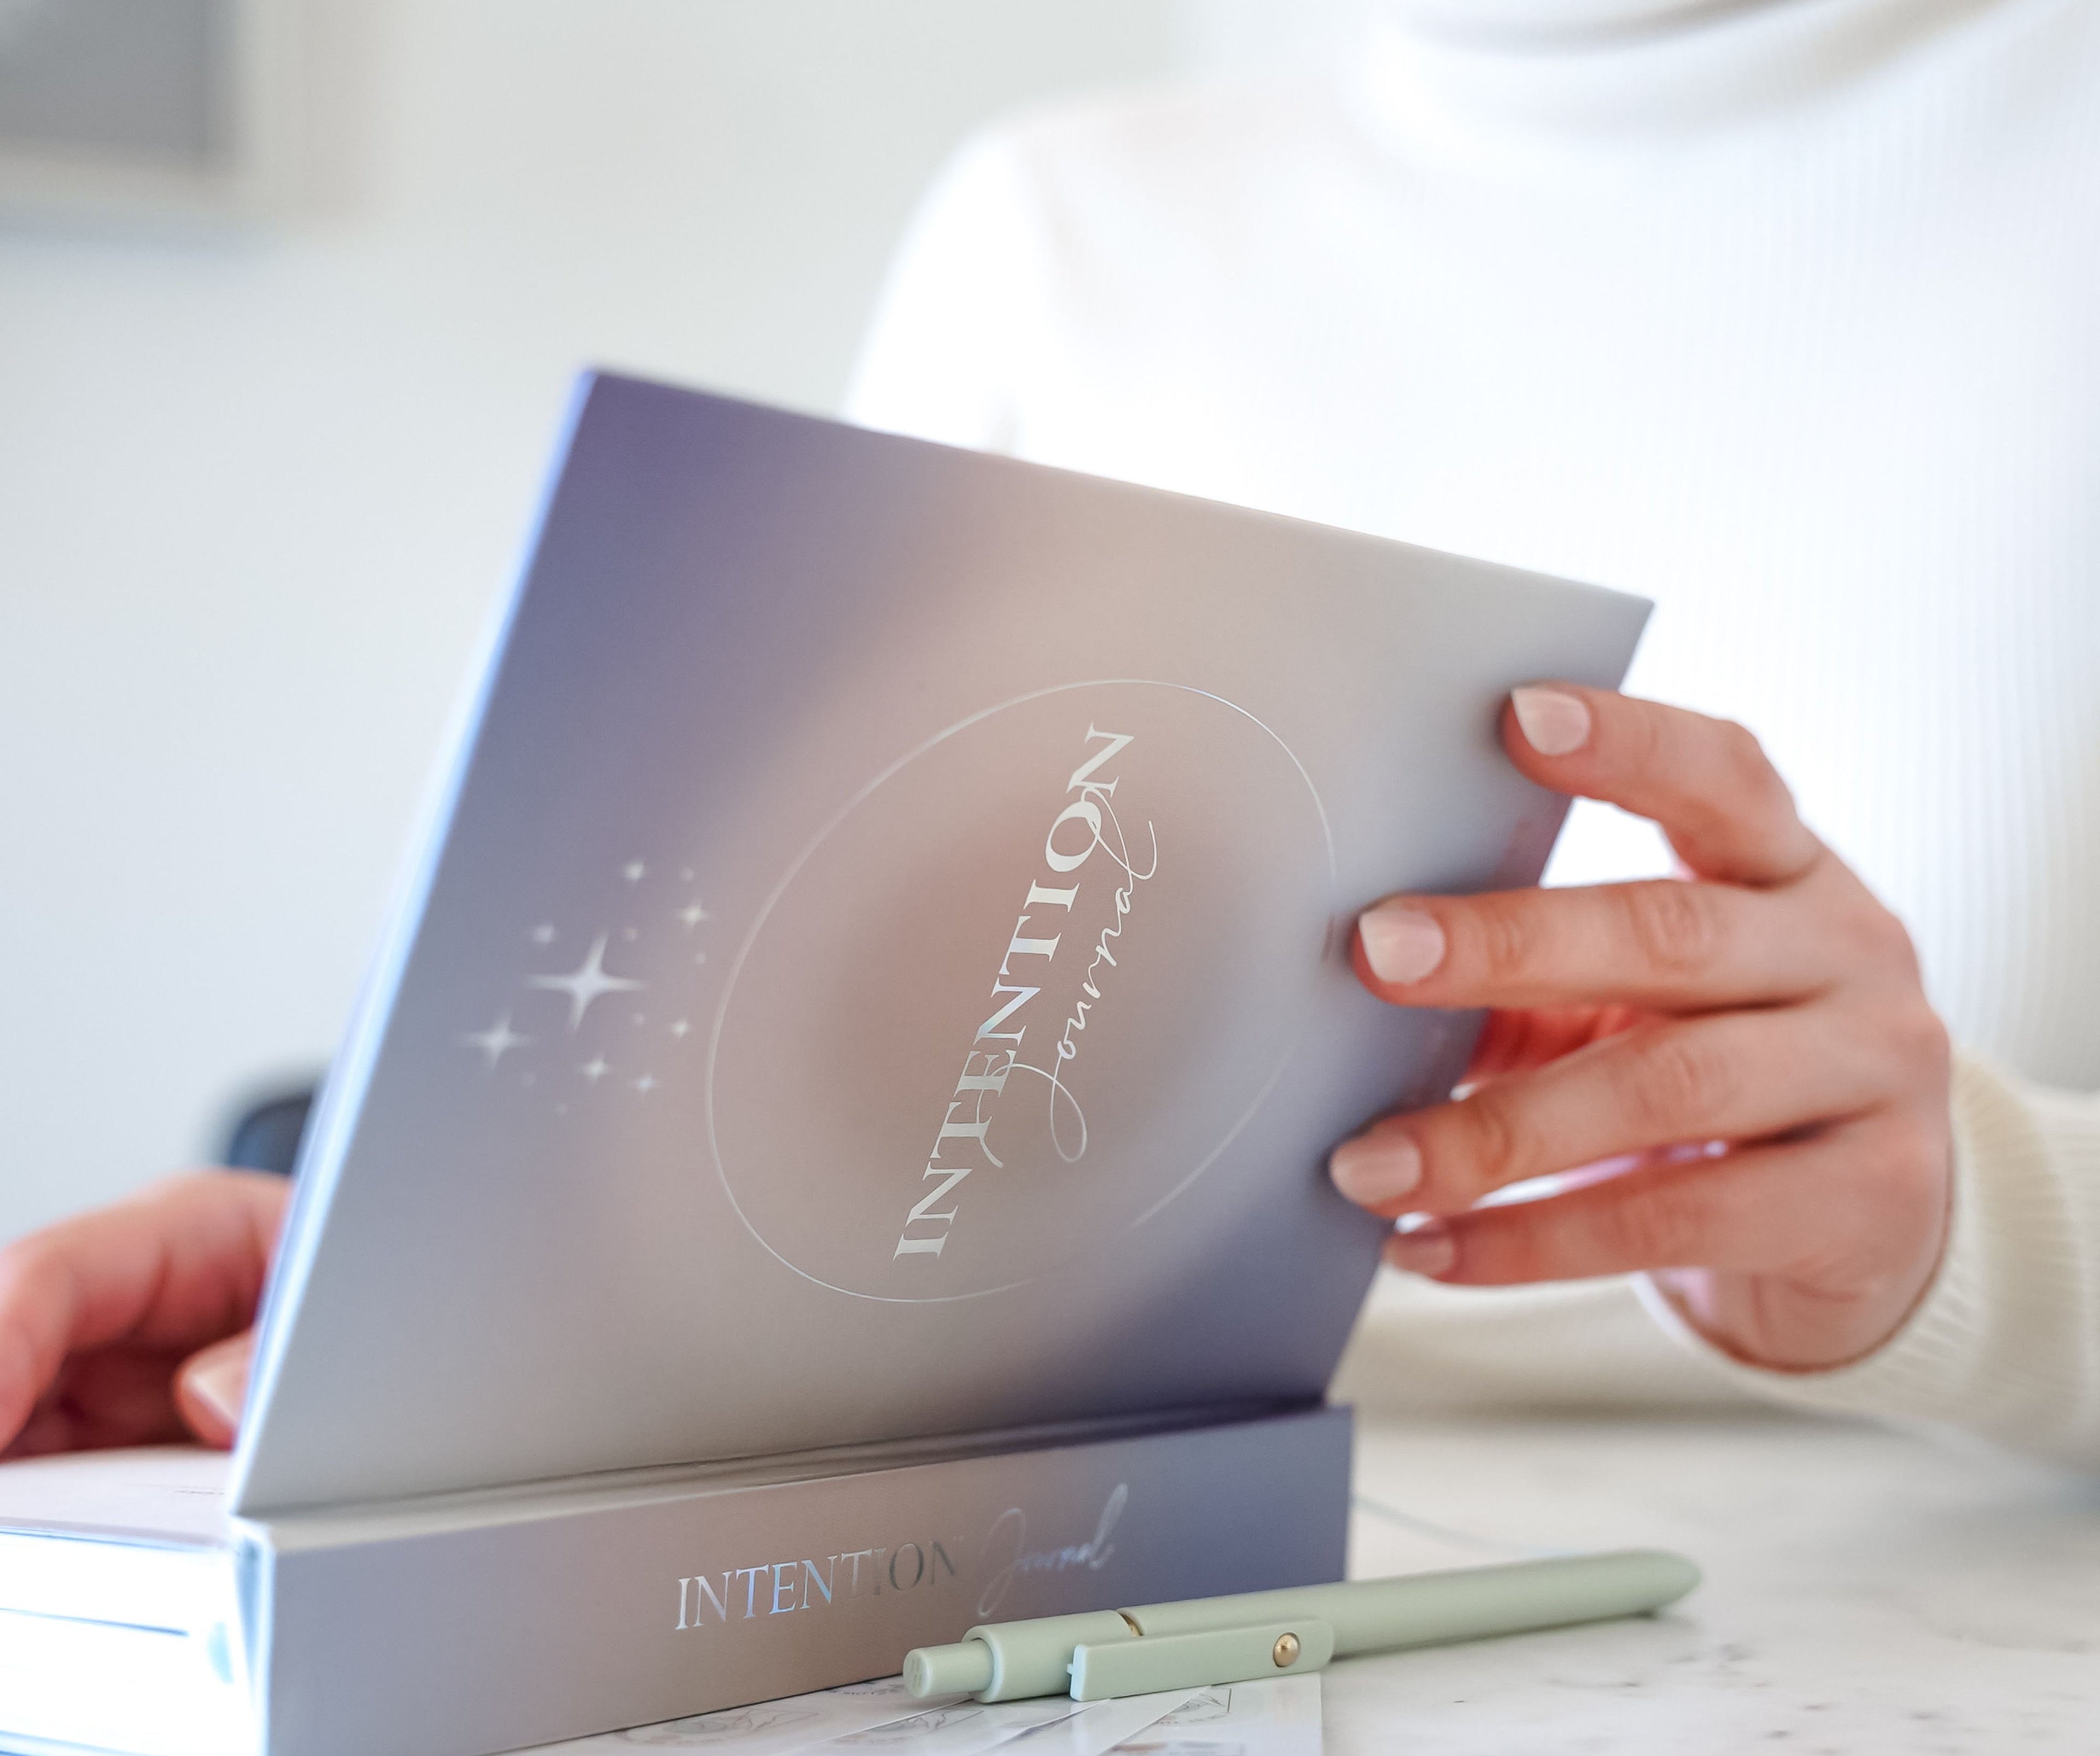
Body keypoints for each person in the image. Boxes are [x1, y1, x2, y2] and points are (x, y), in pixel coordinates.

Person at [2, 0, 2094, 1465]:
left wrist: (1970, 1243)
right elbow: (868, 1083)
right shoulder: (1058, 222)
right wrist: (456, 1292)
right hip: (1078, 1608)